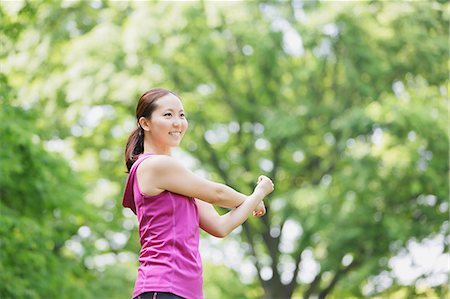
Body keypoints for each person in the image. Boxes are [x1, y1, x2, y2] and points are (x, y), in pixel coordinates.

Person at [122, 88, 274, 299]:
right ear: (145, 123)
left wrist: (257, 195)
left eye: (182, 115)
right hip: (163, 286)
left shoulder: (180, 182)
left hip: (185, 292)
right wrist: (254, 198)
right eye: (168, 115)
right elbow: (217, 193)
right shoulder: (155, 165)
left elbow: (220, 227)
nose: (178, 122)